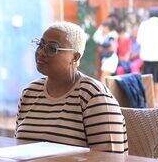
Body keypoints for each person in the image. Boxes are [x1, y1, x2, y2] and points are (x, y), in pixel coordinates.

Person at [15, 21, 128, 154]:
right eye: (40, 45)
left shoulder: (94, 97)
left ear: (75, 57)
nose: (41, 52)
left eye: (52, 48)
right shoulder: (30, 92)